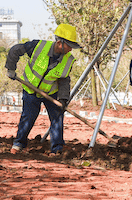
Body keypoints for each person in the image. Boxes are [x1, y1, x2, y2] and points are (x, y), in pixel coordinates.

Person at [5, 23, 79, 155]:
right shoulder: (37, 46)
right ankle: (18, 144)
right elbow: (15, 50)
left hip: (51, 92)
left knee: (57, 117)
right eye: (69, 46)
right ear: (59, 43)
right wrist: (11, 69)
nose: (70, 50)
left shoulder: (68, 60)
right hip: (30, 90)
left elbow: (64, 80)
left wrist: (63, 99)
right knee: (28, 117)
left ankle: (57, 149)